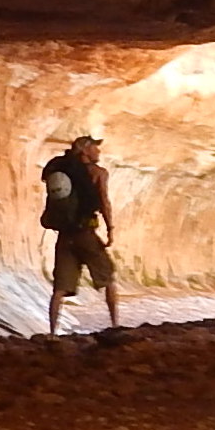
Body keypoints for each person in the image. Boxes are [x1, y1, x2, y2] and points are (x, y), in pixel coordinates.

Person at [40, 132, 120, 334]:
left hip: (64, 236)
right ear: (85, 150)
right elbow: (104, 202)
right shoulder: (98, 173)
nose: (98, 151)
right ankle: (115, 325)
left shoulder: (62, 170)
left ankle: (52, 334)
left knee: (59, 289)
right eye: (95, 147)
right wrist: (110, 229)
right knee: (108, 277)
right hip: (86, 234)